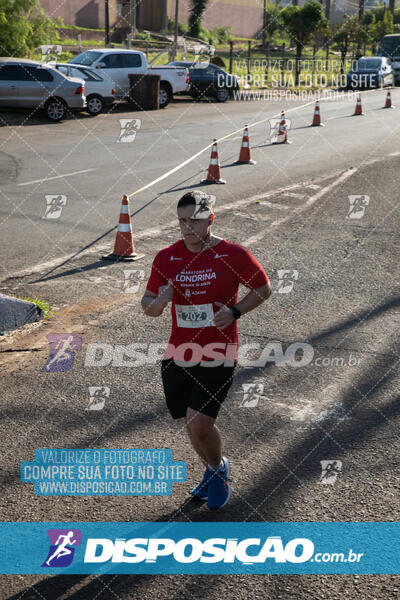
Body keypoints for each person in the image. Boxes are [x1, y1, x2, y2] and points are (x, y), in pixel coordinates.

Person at [141, 191, 271, 509]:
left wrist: (235, 311)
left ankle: (218, 470)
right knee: (190, 421)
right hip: (179, 353)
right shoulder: (166, 257)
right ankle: (213, 469)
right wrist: (160, 300)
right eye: (182, 221)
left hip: (218, 349)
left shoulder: (233, 254)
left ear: (210, 219)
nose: (187, 228)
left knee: (199, 422)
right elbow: (148, 307)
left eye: (194, 221)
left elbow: (263, 288)